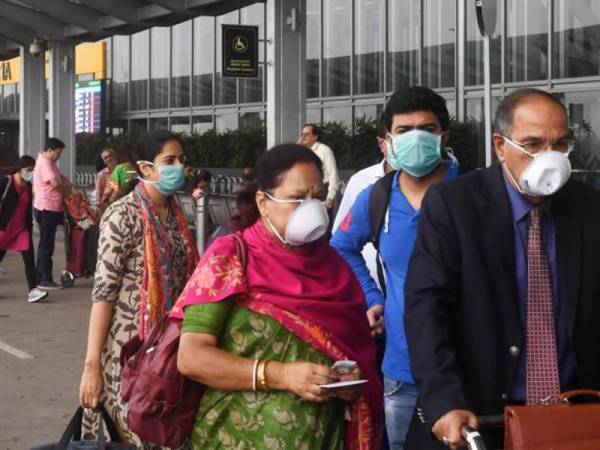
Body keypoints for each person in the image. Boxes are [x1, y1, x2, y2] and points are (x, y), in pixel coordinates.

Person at [404, 88, 600, 450]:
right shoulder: (454, 205)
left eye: (560, 145)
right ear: (500, 145)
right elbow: (426, 308)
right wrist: (445, 400)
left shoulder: (587, 207)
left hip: (575, 420)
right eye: (533, 144)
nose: (549, 157)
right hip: (478, 419)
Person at [172, 144, 382, 449]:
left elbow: (354, 353)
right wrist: (281, 375)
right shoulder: (231, 256)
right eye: (297, 199)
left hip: (320, 437)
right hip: (232, 437)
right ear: (263, 202)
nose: (311, 209)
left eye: (317, 197)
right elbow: (192, 358)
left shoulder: (335, 268)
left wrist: (346, 383)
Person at [331, 86, 459, 450]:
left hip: (465, 366)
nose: (416, 137)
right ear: (387, 140)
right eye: (404, 130)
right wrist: (373, 298)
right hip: (402, 368)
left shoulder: (471, 194)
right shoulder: (377, 197)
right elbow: (341, 247)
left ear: (443, 137)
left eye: (428, 129)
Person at [78, 130, 199, 447]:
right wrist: (92, 366)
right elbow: (103, 294)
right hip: (127, 356)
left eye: (181, 160)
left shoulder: (175, 214)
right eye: (169, 161)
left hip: (168, 352)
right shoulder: (123, 215)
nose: (178, 168)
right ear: (146, 168)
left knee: (166, 433)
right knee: (132, 436)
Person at [332, 126, 393, 289]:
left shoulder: (445, 184)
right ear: (382, 144)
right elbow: (341, 239)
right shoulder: (361, 181)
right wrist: (368, 292)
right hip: (369, 286)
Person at [0, 156, 48, 303]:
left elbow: (27, 209)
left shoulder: (27, 185)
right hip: (4, 229)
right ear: (21, 168)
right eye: (29, 170)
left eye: (33, 170)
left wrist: (30, 227)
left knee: (29, 259)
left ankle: (33, 290)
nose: (31, 173)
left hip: (21, 229)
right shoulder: (5, 181)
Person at [33, 137, 70, 290]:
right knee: (46, 245)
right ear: (49, 150)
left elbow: (60, 178)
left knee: (45, 244)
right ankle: (44, 279)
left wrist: (69, 185)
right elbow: (55, 184)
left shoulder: (49, 163)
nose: (59, 156)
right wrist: (68, 192)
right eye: (58, 152)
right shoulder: (45, 163)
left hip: (50, 207)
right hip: (47, 208)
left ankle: (40, 276)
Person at [298, 123, 340, 212]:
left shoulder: (324, 150)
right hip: (305, 192)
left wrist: (331, 196)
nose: (303, 137)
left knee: (322, 222)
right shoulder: (302, 151)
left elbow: (333, 174)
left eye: (307, 134)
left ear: (315, 136)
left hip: (321, 191)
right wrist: (296, 148)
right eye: (302, 134)